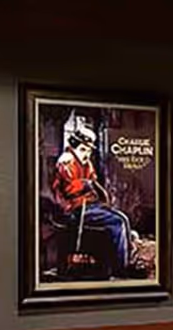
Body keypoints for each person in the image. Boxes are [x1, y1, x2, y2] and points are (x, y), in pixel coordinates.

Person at [50, 113, 134, 278]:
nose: (87, 153)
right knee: (116, 222)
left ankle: (121, 264)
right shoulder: (66, 162)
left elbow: (93, 181)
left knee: (123, 218)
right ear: (74, 146)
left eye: (88, 150)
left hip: (89, 206)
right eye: (83, 149)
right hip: (74, 209)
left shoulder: (85, 162)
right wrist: (85, 184)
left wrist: (97, 191)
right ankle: (120, 269)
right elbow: (68, 191)